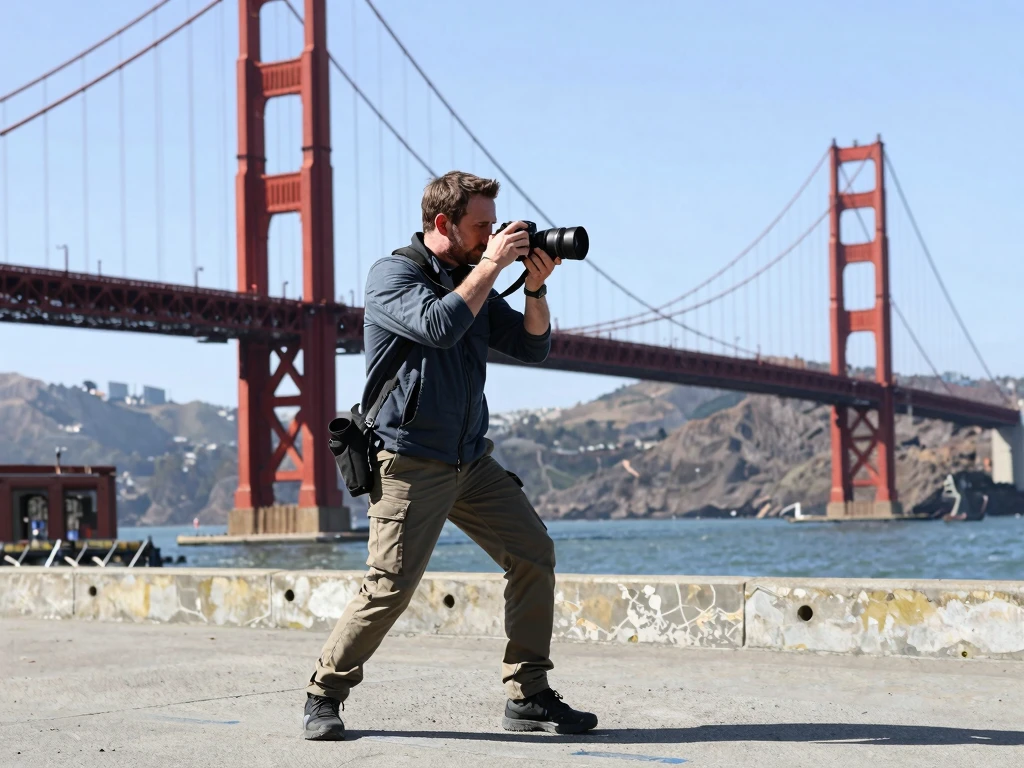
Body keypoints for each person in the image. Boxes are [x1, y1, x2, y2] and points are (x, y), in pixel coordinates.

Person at [302, 171, 598, 740]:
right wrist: (490, 267)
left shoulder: (474, 281)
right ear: (443, 224)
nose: (494, 235)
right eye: (482, 226)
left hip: (470, 460)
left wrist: (534, 289)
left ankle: (529, 693)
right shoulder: (393, 275)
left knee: (533, 552)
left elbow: (533, 346)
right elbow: (438, 326)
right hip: (410, 459)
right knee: (390, 584)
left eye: (495, 224)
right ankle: (324, 692)